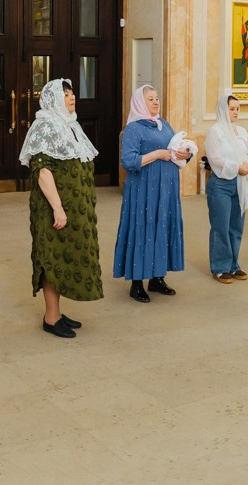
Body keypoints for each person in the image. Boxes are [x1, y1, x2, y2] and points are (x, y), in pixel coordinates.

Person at [22, 79, 100, 338]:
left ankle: (56, 311)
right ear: (53, 99)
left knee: (63, 257)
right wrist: (57, 207)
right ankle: (51, 318)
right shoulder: (45, 126)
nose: (72, 97)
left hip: (71, 209)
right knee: (51, 259)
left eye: (72, 92)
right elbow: (43, 172)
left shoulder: (70, 125)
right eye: (65, 94)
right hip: (52, 209)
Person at [114, 83, 189, 302]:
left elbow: (175, 146)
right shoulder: (133, 128)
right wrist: (157, 154)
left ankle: (157, 278)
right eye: (150, 99)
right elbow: (128, 161)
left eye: (157, 98)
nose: (156, 102)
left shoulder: (164, 124)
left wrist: (185, 154)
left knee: (162, 227)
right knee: (142, 228)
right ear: (140, 102)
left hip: (166, 189)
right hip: (143, 190)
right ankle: (137, 283)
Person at [203, 93, 248, 283]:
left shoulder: (241, 131)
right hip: (221, 184)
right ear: (222, 110)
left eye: (237, 109)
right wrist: (237, 167)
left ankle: (233, 265)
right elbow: (215, 158)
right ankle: (220, 267)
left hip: (240, 183)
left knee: (236, 226)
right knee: (221, 226)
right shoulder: (215, 131)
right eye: (232, 109)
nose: (236, 112)